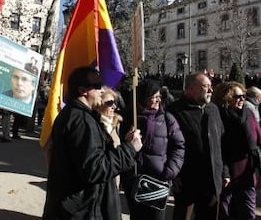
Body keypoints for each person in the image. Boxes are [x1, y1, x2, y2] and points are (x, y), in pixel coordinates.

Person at [42, 66, 142, 220]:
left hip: (73, 206)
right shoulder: (81, 120)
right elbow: (95, 169)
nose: (102, 90)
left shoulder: (75, 114)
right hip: (81, 209)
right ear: (83, 90)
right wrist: (130, 149)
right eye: (97, 86)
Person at [121, 79, 185, 220]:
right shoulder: (129, 119)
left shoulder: (167, 119)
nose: (157, 101)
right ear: (143, 98)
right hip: (134, 181)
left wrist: (169, 171)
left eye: (159, 97)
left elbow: (179, 146)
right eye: (153, 97)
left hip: (158, 181)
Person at [167, 73, 226, 220]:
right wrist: (174, 174)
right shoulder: (174, 111)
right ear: (190, 89)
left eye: (210, 86)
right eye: (206, 86)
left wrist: (225, 171)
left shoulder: (213, 110)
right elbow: (167, 145)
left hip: (212, 181)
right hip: (187, 180)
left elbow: (221, 143)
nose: (211, 90)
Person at [212, 81, 261, 220]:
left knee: (248, 211)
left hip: (247, 170)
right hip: (226, 172)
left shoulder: (249, 114)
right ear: (226, 97)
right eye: (238, 96)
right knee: (224, 211)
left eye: (244, 96)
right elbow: (218, 147)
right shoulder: (218, 116)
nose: (242, 99)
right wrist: (224, 172)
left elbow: (258, 138)